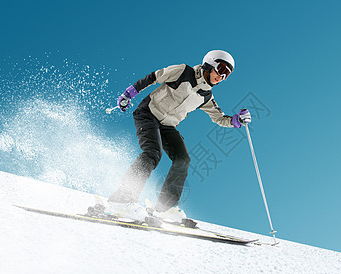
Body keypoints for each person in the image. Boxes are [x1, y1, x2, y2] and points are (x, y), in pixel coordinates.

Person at [105, 50, 251, 222]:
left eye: (227, 74)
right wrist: (130, 93)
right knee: (152, 153)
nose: (222, 76)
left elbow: (219, 117)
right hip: (148, 113)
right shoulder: (183, 72)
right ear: (210, 63)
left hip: (168, 125)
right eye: (221, 69)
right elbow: (154, 77)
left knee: (183, 159)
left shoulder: (206, 97)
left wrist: (237, 120)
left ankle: (164, 208)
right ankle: (120, 202)